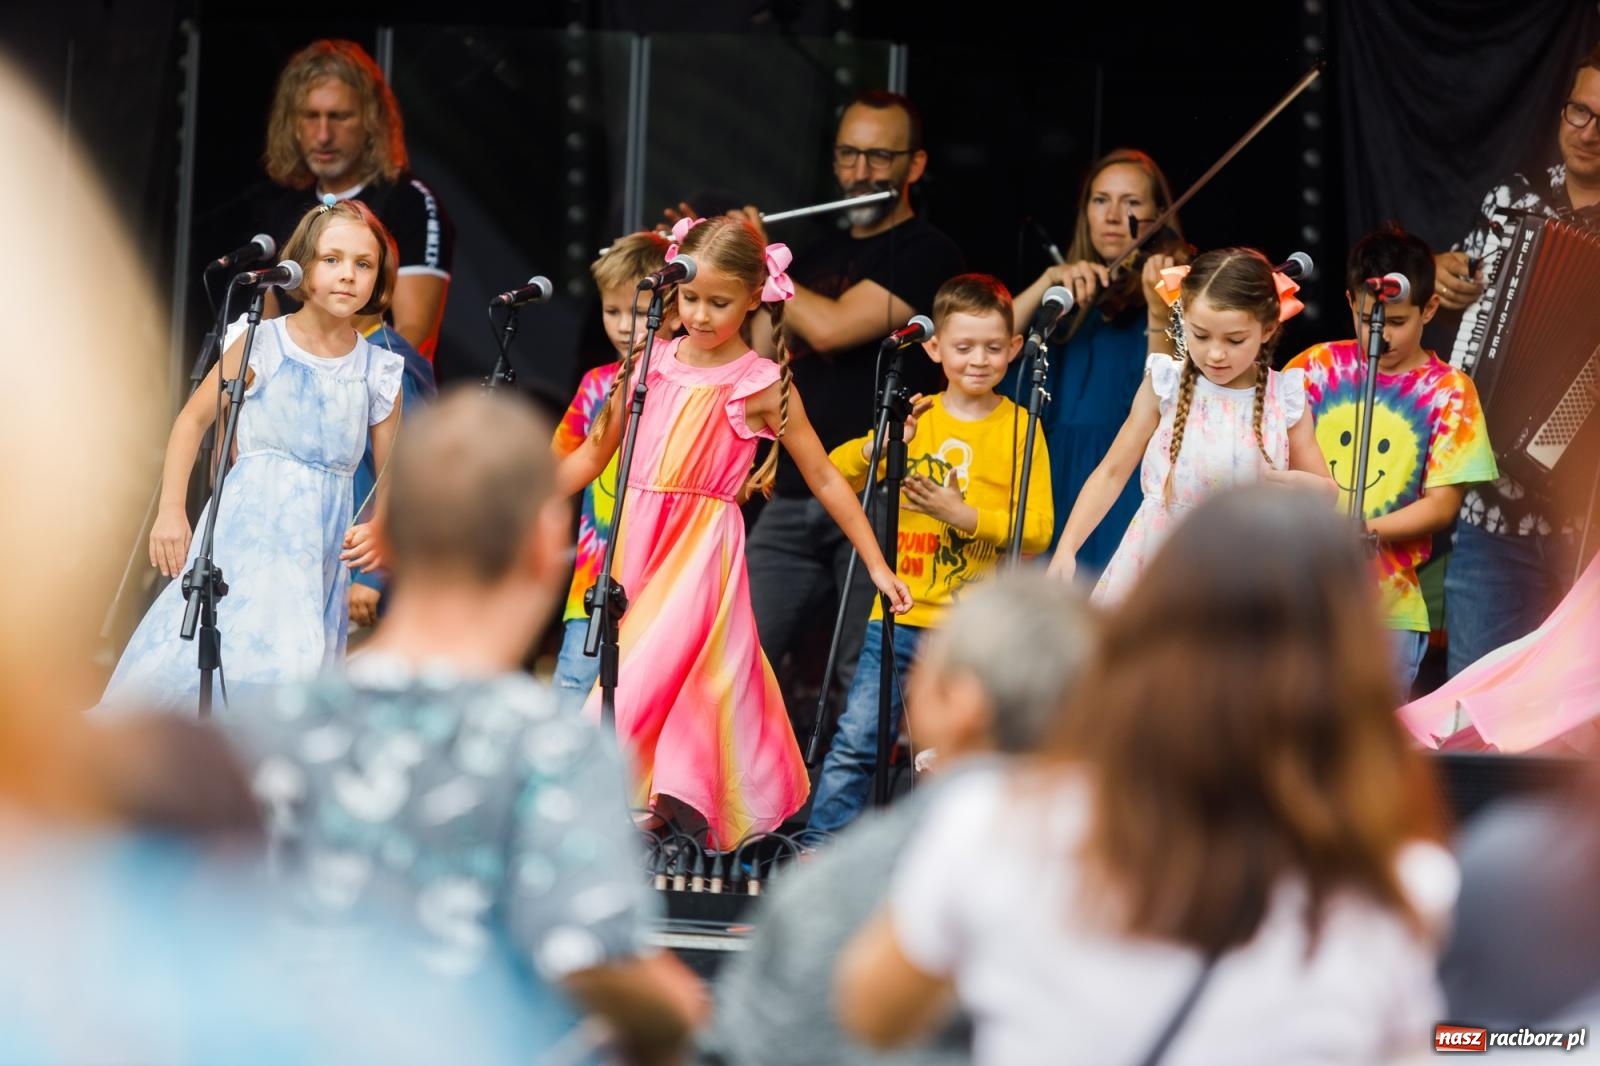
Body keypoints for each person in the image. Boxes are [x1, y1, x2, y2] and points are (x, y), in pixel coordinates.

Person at [836, 485, 1459, 1066]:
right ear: (1353, 662)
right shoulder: (1407, 893)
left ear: (1145, 629)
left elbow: (870, 1012)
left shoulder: (998, 825)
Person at [222, 388, 706, 1063]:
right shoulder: (549, 744)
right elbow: (593, 958)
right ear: (545, 546)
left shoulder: (262, 727)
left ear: (384, 542)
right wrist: (688, 1016)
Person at [556, 214, 914, 850]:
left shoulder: (758, 385)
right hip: (636, 548)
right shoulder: (647, 366)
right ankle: (638, 825)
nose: (698, 314)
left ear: (756, 297)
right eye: (689, 298)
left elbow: (828, 479)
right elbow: (588, 458)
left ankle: (607, 815)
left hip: (699, 556)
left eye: (719, 303)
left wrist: (878, 564)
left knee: (653, 678)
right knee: (642, 683)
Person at [697, 573, 1095, 1066]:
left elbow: (750, 1046)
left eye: (926, 667)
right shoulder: (1160, 881)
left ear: (958, 703)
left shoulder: (847, 882)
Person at [99, 199, 403, 714]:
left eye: (363, 264)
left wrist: (382, 524)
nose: (347, 275)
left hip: (318, 556)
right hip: (245, 542)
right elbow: (192, 422)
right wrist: (172, 512)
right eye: (331, 260)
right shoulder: (262, 343)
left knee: (290, 682)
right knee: (218, 665)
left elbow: (392, 466)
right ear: (301, 267)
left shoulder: (378, 369)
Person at [735, 90, 964, 733]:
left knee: (853, 674)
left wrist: (760, 257)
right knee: (743, 650)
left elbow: (832, 328)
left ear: (914, 166)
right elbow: (762, 356)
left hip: (875, 489)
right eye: (848, 153)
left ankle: (838, 827)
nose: (860, 171)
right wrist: (734, 274)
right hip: (791, 485)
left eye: (877, 156)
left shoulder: (928, 253)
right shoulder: (811, 252)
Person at [807, 274, 1053, 834]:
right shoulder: (917, 417)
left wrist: (963, 516)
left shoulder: (1022, 429)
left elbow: (1038, 529)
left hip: (973, 629)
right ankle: (820, 852)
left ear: (1014, 349)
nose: (979, 359)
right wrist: (885, 442)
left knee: (960, 754)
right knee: (858, 740)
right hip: (898, 616)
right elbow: (838, 471)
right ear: (934, 348)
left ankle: (945, 856)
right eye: (963, 347)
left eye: (993, 347)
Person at [1436, 43, 1600, 678]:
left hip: (1585, 524)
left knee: (1575, 732)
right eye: (1577, 112)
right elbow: (1459, 276)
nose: (1586, 132)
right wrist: (1441, 275)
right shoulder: (1510, 202)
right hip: (1491, 515)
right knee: (1473, 714)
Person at [1046, 248, 1333, 602]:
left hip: (1248, 570)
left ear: (1268, 328)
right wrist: (1067, 547)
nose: (1215, 353)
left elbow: (1327, 491)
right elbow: (1111, 472)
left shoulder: (1284, 397)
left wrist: (1303, 487)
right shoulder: (1165, 382)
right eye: (1200, 335)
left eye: (1234, 340)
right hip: (1162, 562)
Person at [1286, 223, 1497, 695]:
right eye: (1367, 319)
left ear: (1431, 309)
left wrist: (1362, 531)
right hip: (1298, 599)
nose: (1379, 334)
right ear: (1349, 302)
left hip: (1389, 608)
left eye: (1397, 322)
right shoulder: (1313, 367)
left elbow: (1442, 506)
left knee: (1370, 752)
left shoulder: (1450, 391)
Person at [1007, 148, 1189, 573]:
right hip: (1051, 475)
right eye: (1101, 199)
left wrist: (1161, 309)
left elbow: (1167, 395)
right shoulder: (1069, 292)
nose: (1112, 216)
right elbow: (985, 340)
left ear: (1159, 213)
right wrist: (1046, 284)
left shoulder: (1176, 289)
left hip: (1127, 474)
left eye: (1131, 203)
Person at [258, 39, 453, 360]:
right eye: (310, 116)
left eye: (339, 116)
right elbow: (264, 327)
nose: (323, 135)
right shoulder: (281, 209)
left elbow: (414, 336)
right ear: (291, 123)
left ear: (371, 120)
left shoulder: (411, 203)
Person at [550, 231, 672, 709]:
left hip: (660, 578)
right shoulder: (596, 384)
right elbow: (555, 463)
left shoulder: (685, 384)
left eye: (640, 312)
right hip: (593, 581)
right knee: (571, 698)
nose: (625, 326)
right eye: (613, 311)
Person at [348, 321, 436, 631]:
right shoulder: (346, 352)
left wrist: (374, 573)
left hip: (371, 574)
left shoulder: (387, 361)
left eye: (362, 267)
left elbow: (415, 475)